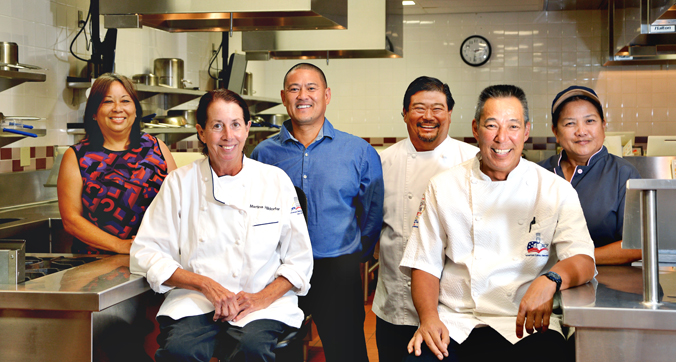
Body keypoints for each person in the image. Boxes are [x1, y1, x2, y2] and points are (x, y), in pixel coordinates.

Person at [401, 84, 596, 362]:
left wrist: (550, 278)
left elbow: (583, 260)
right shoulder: (443, 187)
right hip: (456, 322)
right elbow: (424, 263)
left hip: (528, 323)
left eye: (513, 126)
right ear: (475, 128)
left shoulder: (555, 189)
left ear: (526, 131)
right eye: (491, 125)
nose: (502, 138)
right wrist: (429, 318)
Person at [130, 89, 313, 362]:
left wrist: (260, 298)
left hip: (261, 304)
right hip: (195, 302)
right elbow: (146, 253)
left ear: (248, 129)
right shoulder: (179, 183)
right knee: (181, 351)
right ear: (201, 132)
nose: (228, 136)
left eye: (236, 125)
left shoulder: (275, 181)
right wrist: (204, 284)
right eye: (217, 126)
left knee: (252, 349)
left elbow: (300, 260)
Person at [251, 63, 384, 362]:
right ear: (284, 97)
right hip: (278, 272)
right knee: (278, 351)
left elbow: (372, 213)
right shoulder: (263, 154)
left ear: (326, 95)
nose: (303, 95)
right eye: (295, 89)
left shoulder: (358, 151)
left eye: (311, 88)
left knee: (346, 350)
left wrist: (354, 255)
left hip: (336, 269)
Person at [373, 76, 478, 362]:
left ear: (450, 114)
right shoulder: (383, 163)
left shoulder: (474, 161)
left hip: (455, 313)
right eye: (419, 108)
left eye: (437, 108)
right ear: (405, 113)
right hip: (395, 303)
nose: (428, 116)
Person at [57, 73, 177, 254]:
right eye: (107, 102)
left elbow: (178, 202)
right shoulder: (76, 156)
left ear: (136, 110)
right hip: (96, 265)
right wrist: (119, 245)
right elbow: (71, 220)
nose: (117, 108)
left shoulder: (157, 148)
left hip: (155, 257)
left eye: (125, 101)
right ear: (94, 113)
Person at [538, 86, 642, 265]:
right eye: (570, 123)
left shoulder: (624, 174)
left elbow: (637, 245)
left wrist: (577, 259)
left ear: (603, 125)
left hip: (608, 284)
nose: (581, 131)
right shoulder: (539, 173)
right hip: (541, 280)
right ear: (555, 132)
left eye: (590, 121)